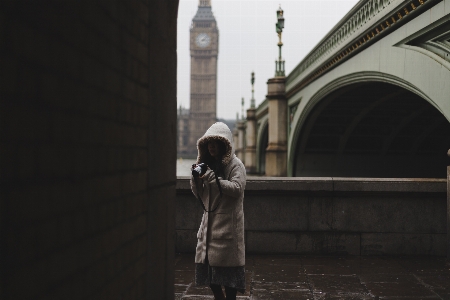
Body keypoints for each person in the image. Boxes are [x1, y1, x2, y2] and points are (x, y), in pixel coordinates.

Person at [190, 122, 246, 300]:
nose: (211, 146)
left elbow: (237, 188)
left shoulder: (236, 165)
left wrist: (216, 180)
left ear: (224, 144)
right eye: (208, 143)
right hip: (208, 225)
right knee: (209, 273)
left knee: (229, 278)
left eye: (215, 142)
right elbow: (198, 194)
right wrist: (196, 179)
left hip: (227, 227)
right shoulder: (206, 164)